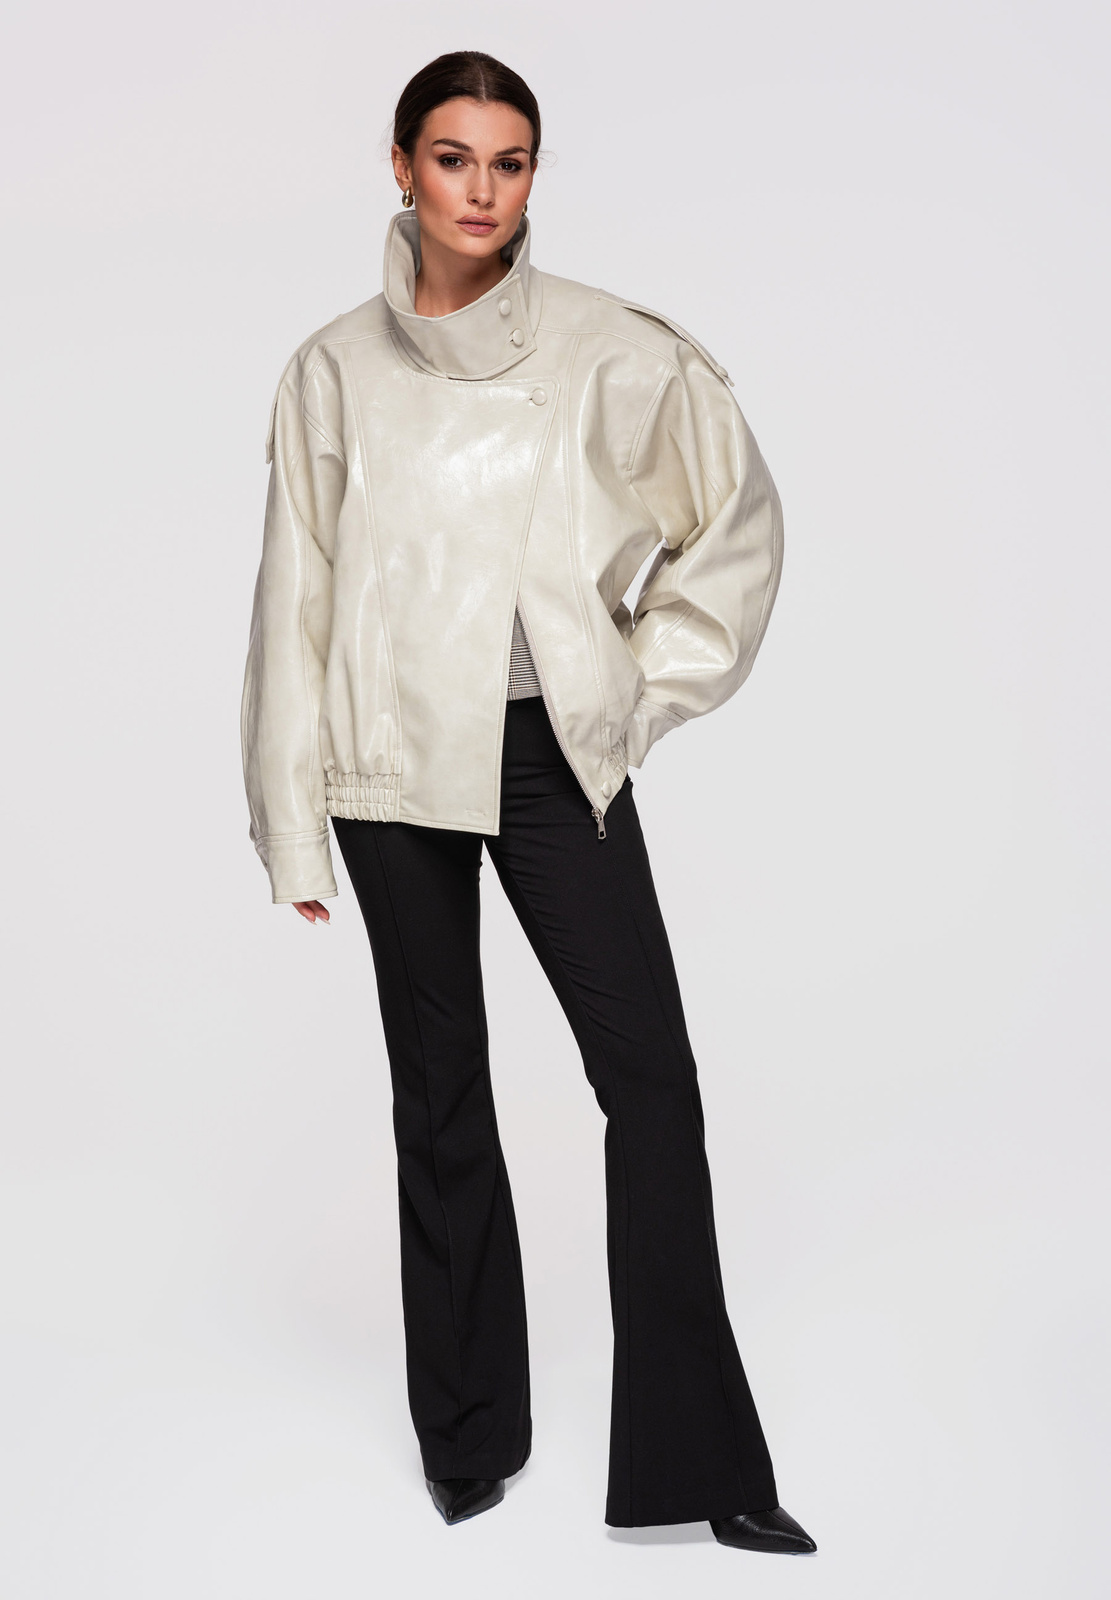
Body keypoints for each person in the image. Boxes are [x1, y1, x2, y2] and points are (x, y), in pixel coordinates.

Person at [241, 49, 815, 1554]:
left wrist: (635, 692)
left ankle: (703, 1466)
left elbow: (737, 524)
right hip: (386, 765)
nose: (481, 190)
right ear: (402, 168)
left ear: (533, 176)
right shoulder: (330, 372)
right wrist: (291, 824)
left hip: (547, 754)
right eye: (453, 158)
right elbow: (295, 602)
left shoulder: (612, 348)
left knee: (653, 1084)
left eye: (508, 162)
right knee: (440, 1096)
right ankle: (468, 1436)